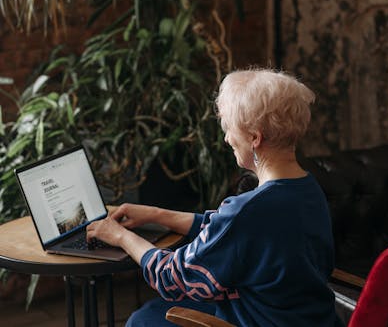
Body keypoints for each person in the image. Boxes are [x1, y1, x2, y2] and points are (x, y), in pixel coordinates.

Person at [86, 68, 343, 326]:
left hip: (258, 320)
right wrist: (157, 215)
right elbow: (233, 233)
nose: (227, 137)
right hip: (310, 318)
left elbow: (171, 277)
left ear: (254, 137)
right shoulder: (309, 190)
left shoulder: (248, 211)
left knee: (141, 321)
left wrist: (120, 236)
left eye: (230, 128)